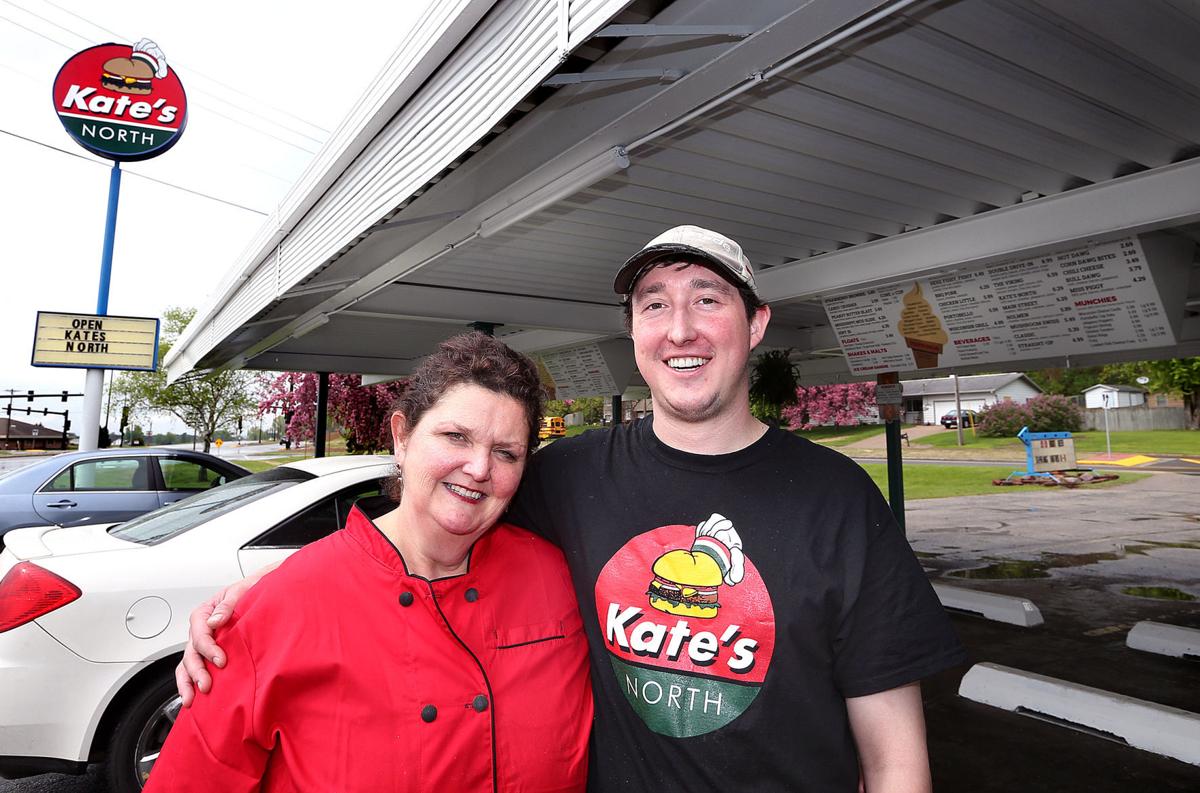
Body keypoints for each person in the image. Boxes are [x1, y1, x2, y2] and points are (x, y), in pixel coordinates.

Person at [181, 225, 966, 792]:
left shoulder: (839, 500)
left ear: (756, 323)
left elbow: (895, 757)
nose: (680, 327)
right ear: (633, 333)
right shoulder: (566, 477)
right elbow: (430, 537)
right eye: (654, 304)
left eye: (708, 299)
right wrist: (263, 611)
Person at [149, 333, 592, 792]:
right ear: (401, 437)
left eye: (506, 453)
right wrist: (256, 603)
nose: (480, 468)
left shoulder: (559, 576)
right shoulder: (276, 607)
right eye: (455, 436)